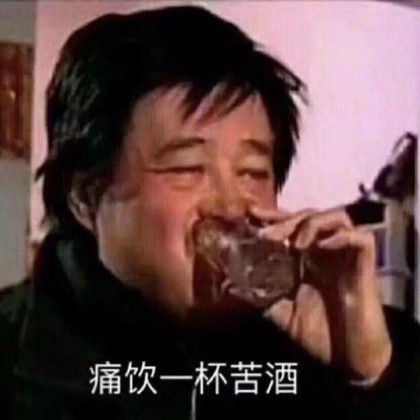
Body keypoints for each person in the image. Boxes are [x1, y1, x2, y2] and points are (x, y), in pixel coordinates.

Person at [1, 6, 419, 419]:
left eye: (253, 171)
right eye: (188, 168)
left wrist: (375, 377)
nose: (231, 205)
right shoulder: (18, 359)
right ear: (85, 197)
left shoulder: (333, 343)